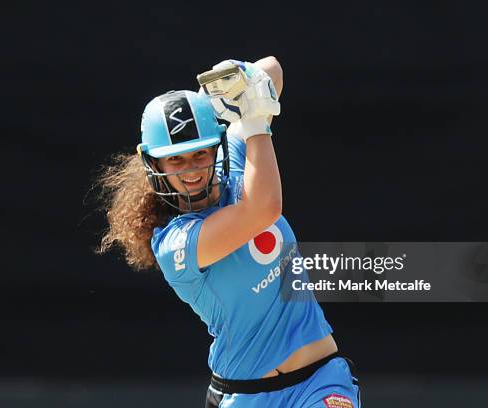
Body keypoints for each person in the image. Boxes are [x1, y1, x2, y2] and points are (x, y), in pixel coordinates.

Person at [98, 57, 361, 407]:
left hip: (320, 382)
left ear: (216, 145)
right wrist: (253, 119)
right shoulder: (174, 243)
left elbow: (274, 70)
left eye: (200, 153)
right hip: (244, 396)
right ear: (152, 162)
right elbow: (262, 209)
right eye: (176, 159)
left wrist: (225, 87)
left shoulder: (234, 158)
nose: (191, 169)